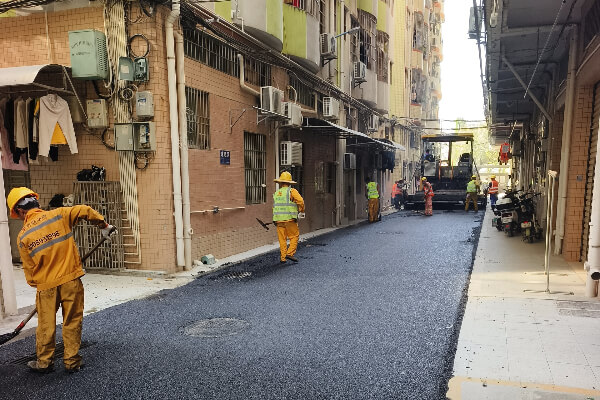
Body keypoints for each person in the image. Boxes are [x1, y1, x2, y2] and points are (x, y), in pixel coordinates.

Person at [6, 187, 115, 373]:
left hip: (46, 287)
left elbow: (30, 272)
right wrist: (103, 226)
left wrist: (39, 285)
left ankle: (44, 363)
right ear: (36, 202)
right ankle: (72, 362)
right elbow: (85, 210)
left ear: (19, 211)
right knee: (72, 320)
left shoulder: (22, 236)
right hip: (70, 280)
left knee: (46, 325)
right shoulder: (59, 215)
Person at [273, 171, 305, 263]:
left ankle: (283, 258)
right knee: (294, 236)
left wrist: (275, 219)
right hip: (290, 219)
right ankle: (290, 253)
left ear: (280, 182)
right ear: (289, 182)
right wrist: (301, 211)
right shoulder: (292, 191)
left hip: (278, 220)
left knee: (282, 239)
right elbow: (301, 201)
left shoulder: (277, 193)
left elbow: (275, 207)